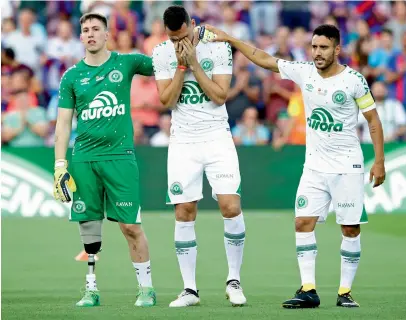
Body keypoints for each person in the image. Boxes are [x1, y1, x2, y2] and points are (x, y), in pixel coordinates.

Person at [204, 23, 386, 308]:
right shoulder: (305, 72)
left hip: (346, 166)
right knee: (302, 222)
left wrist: (379, 160)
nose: (317, 53)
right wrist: (229, 39)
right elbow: (265, 59)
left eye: (324, 47)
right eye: (314, 47)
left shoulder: (354, 80)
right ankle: (308, 289)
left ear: (337, 49)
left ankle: (345, 292)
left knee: (350, 228)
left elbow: (373, 121)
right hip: (314, 166)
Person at [53, 12, 156, 308]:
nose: (90, 34)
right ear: (81, 36)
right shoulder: (71, 76)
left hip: (120, 158)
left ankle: (146, 288)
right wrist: (60, 165)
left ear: (108, 34)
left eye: (96, 29)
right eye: (85, 30)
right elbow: (62, 125)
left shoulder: (127, 63)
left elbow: (165, 65)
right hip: (84, 159)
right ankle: (91, 289)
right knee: (89, 226)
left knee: (131, 227)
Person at [152, 5, 246, 307]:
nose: (179, 43)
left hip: (217, 137)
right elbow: (166, 100)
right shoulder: (162, 52)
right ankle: (190, 289)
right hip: (183, 142)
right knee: (184, 211)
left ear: (192, 25)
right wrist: (181, 66)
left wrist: (194, 63)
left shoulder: (218, 48)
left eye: (183, 36)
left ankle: (234, 280)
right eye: (173, 37)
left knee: (230, 205)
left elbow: (220, 96)